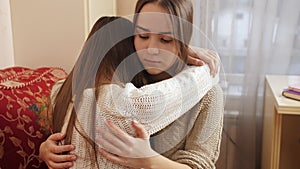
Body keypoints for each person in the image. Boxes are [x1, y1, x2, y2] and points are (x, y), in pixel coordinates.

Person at [39, 0, 223, 168]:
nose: (151, 50)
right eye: (143, 36)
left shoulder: (208, 95)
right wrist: (45, 149)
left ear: (184, 40)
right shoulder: (125, 75)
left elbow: (201, 165)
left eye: (166, 39)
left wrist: (149, 159)